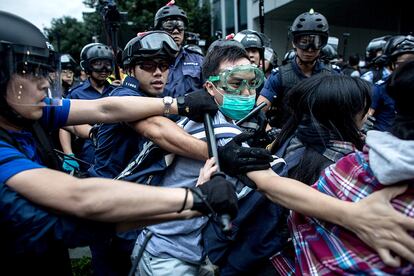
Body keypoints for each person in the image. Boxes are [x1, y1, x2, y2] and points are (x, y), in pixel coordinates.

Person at [0, 11, 240, 275]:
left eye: (44, 72)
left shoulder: (28, 109)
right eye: (29, 71)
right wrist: (195, 197)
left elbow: (103, 109)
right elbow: (82, 198)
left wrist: (178, 104)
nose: (45, 83)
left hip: (92, 224)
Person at [133, 43, 267, 276]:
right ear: (210, 87)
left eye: (251, 83)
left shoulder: (207, 119)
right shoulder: (221, 131)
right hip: (170, 258)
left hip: (166, 248)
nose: (246, 93)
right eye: (235, 83)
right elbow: (273, 185)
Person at [271, 59, 414, 275]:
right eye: (363, 109)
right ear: (342, 114)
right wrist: (350, 214)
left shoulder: (296, 140)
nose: (368, 115)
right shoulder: (341, 162)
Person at [257, 9, 336, 128]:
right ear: (294, 42)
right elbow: (259, 111)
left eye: (316, 43)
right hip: (288, 140)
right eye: (304, 42)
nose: (309, 49)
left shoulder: (332, 74)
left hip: (323, 139)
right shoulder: (280, 75)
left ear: (323, 44)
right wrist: (270, 132)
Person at [59, 42, 117, 174]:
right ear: (86, 66)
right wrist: (69, 155)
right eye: (97, 63)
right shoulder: (76, 93)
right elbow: (64, 124)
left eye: (107, 63)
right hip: (88, 155)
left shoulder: (117, 91)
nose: (104, 69)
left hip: (116, 153)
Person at [153, 1, 204, 97]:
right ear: (159, 30)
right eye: (169, 25)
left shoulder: (198, 59)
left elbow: (211, 90)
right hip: (159, 111)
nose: (176, 31)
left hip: (192, 111)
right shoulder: (150, 61)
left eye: (180, 26)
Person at [368, 35, 414, 131]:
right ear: (391, 64)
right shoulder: (379, 88)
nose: (407, 69)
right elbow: (367, 117)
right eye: (401, 64)